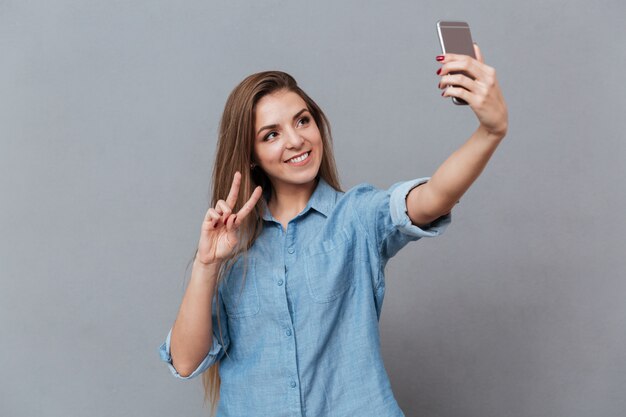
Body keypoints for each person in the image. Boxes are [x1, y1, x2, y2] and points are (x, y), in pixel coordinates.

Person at [159, 44, 508, 417]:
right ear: (250, 154)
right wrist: (206, 265)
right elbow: (185, 362)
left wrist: (490, 130)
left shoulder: (356, 217)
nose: (295, 140)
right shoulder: (230, 251)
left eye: (302, 120)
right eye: (271, 134)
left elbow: (433, 197)